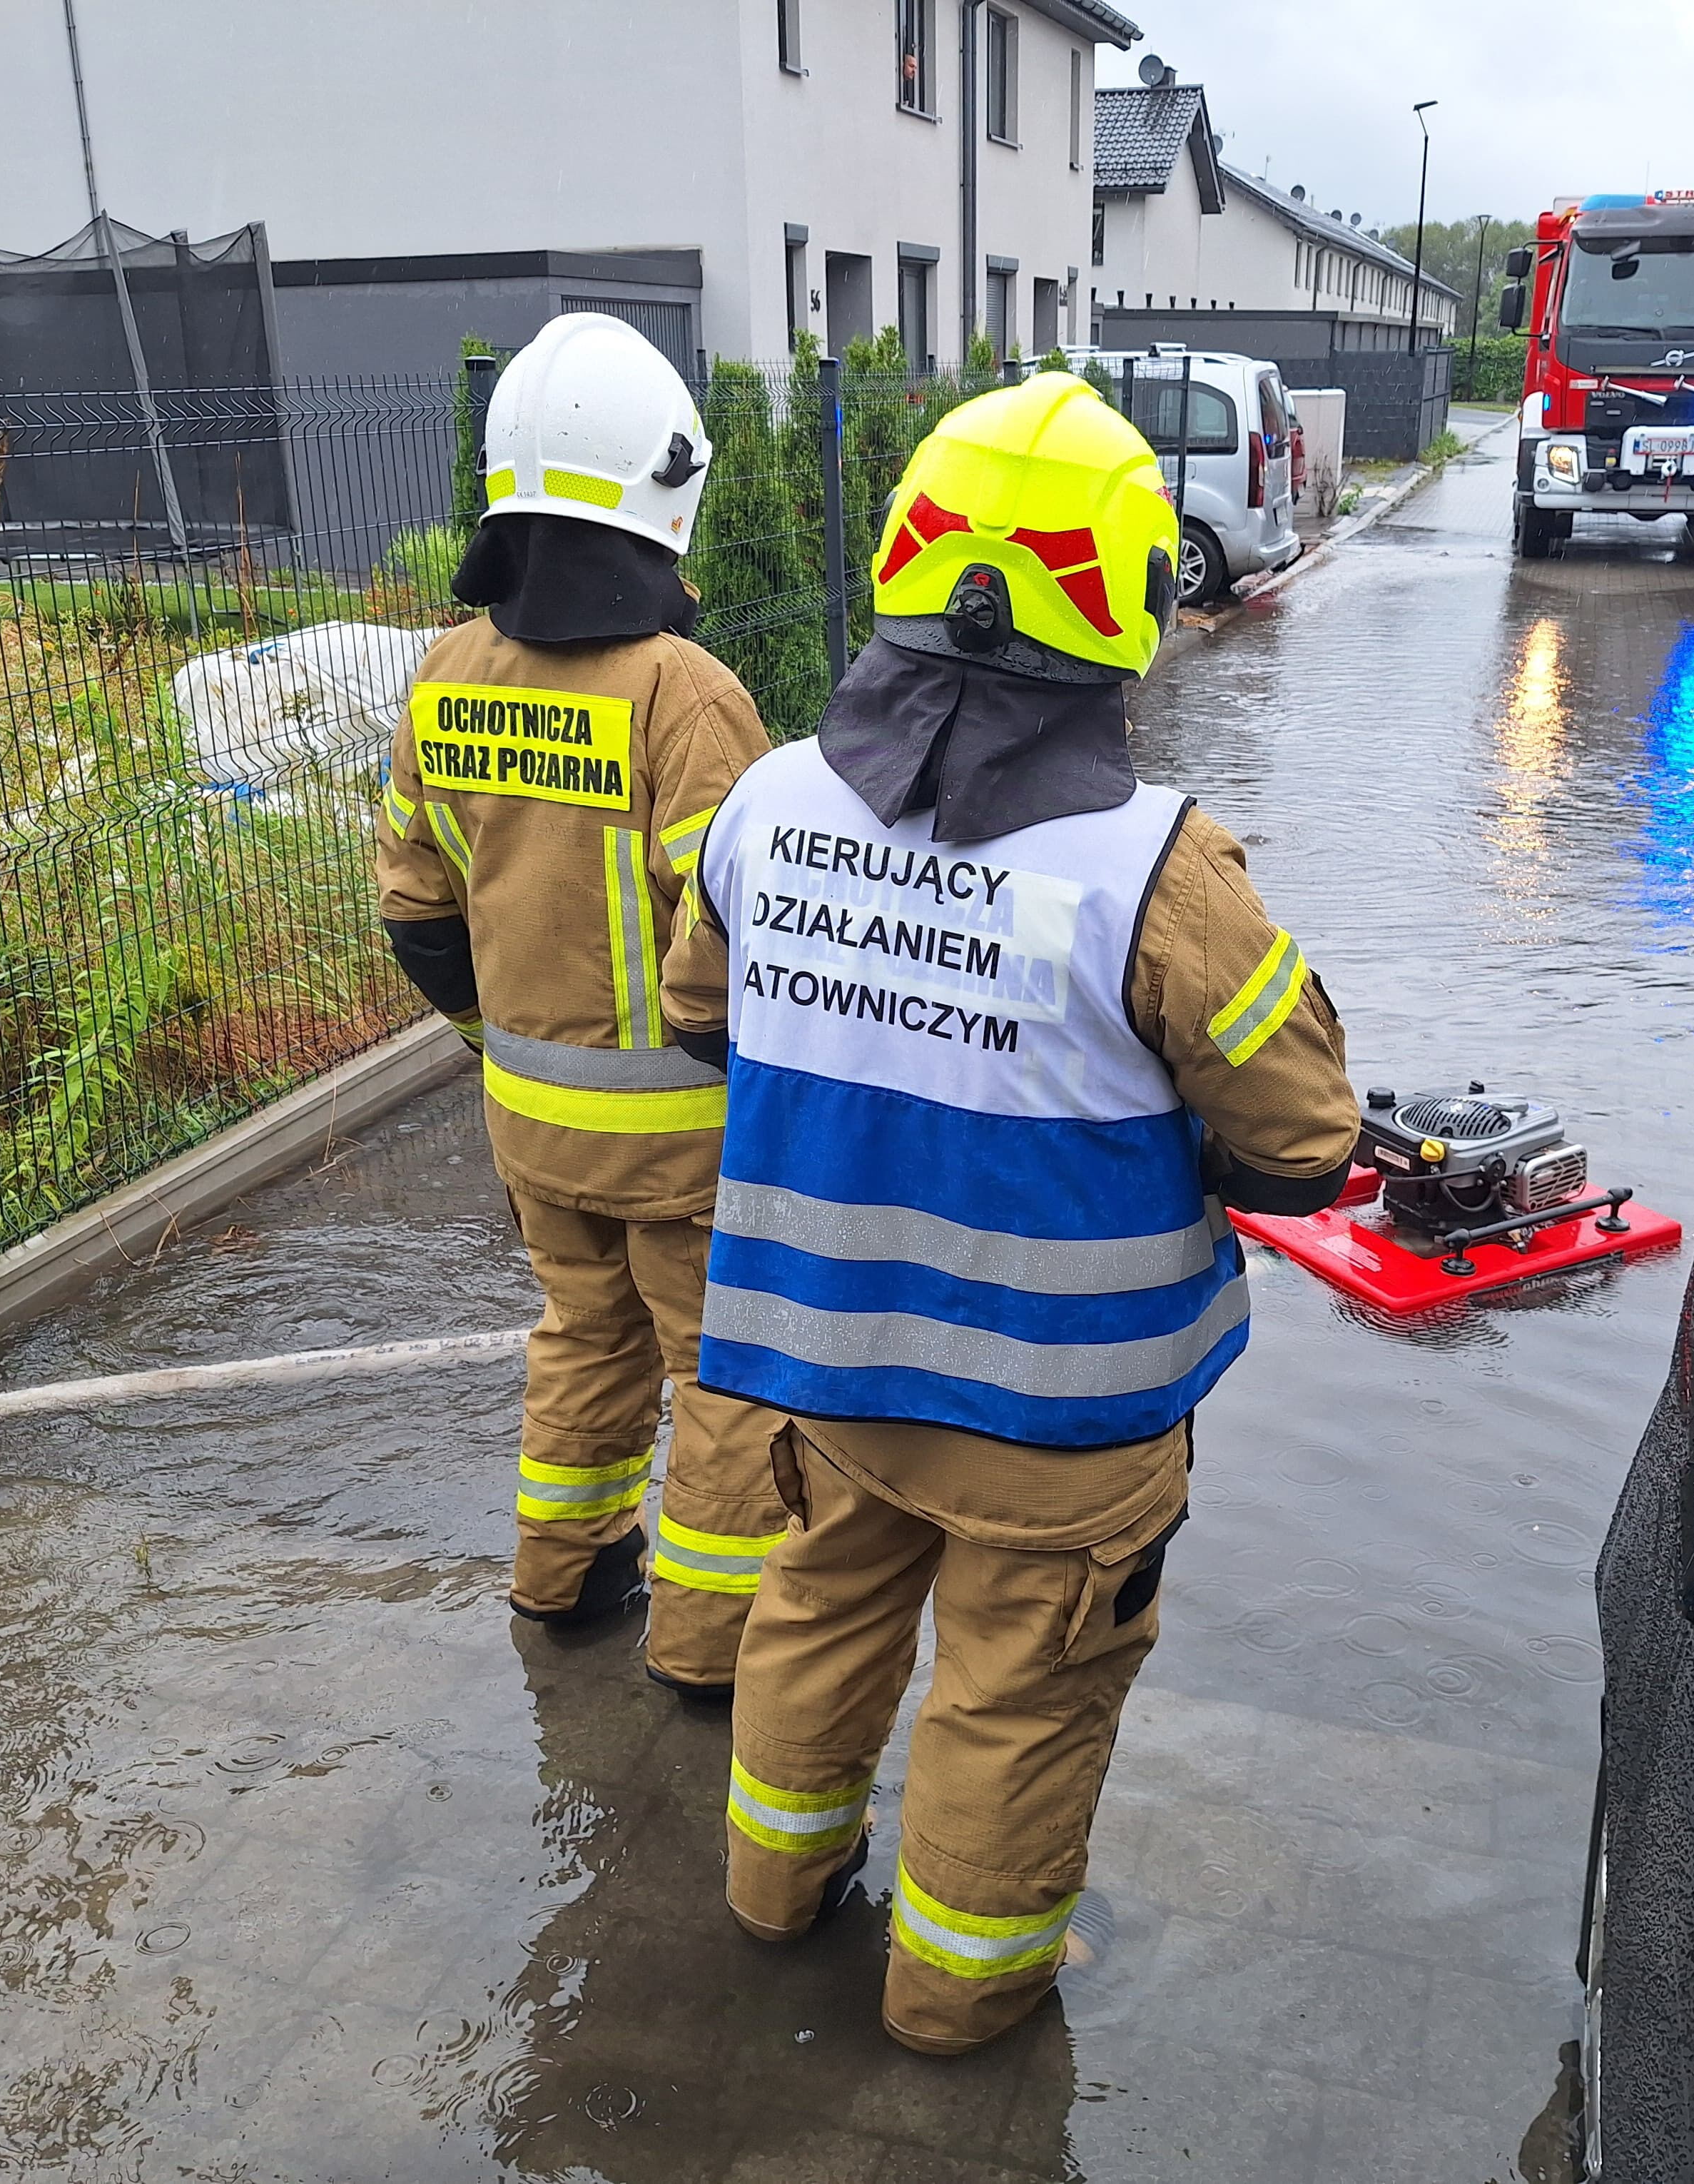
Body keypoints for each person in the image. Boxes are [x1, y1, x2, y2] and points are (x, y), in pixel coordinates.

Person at [657, 370, 1362, 2053]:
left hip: (823, 1370)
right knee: (1016, 1701)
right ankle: (955, 2014)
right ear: (1126, 609)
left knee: (817, 1615)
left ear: (907, 568)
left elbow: (704, 1020)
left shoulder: (765, 809)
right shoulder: (1162, 871)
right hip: (1061, 1418)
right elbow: (1307, 1148)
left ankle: (772, 1901)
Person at [375, 313, 787, 1694]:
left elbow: (415, 911)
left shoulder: (445, 672)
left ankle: (562, 1579)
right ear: (667, 492)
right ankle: (705, 1650)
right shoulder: (687, 695)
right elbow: (748, 945)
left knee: (582, 1341)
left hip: (529, 1128)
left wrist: (503, 1046)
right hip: (687, 1149)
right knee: (719, 1385)